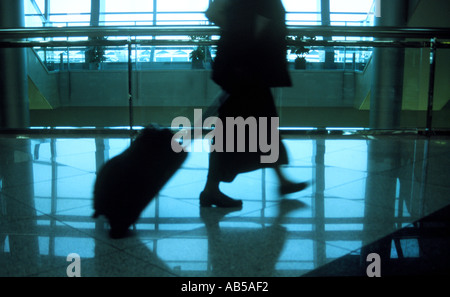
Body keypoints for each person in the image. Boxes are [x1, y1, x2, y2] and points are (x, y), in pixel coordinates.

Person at [201, 0, 308, 208]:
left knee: (262, 123)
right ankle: (210, 190)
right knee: (237, 127)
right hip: (244, 68)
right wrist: (242, 37)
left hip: (248, 67)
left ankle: (281, 180)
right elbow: (213, 12)